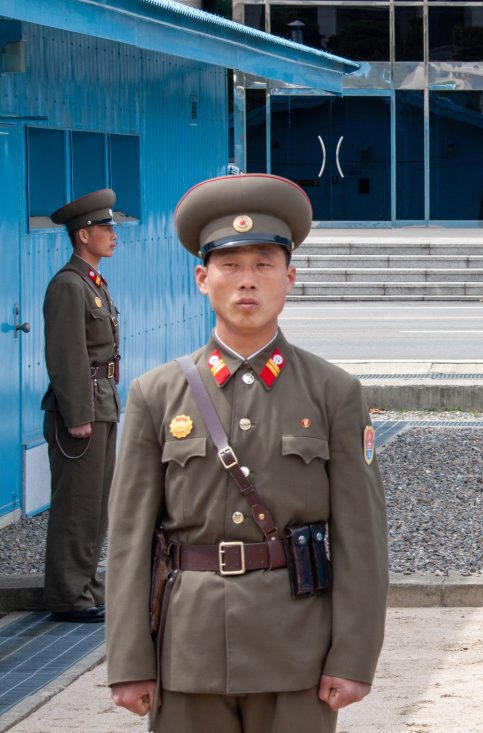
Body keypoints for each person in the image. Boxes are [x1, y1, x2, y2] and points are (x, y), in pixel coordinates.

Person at [106, 174, 389, 732]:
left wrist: (353, 658)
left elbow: (361, 539)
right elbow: (129, 541)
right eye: (230, 265)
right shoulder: (156, 394)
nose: (246, 282)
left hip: (297, 652)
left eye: (263, 265)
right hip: (187, 652)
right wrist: (128, 661)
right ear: (201, 278)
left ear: (290, 278)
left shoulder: (333, 392)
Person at [41, 188, 121, 624]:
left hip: (101, 402)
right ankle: (69, 596)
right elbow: (66, 355)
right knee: (76, 505)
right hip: (83, 408)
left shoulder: (91, 282)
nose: (113, 234)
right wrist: (78, 416)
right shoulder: (68, 285)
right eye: (105, 228)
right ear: (83, 234)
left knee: (96, 504)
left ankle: (87, 587)